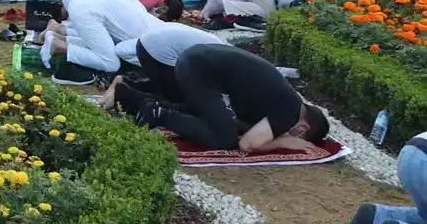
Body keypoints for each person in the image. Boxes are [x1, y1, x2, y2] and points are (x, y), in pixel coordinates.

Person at [108, 43, 328, 152]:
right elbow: (247, 144)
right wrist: (282, 142)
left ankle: (132, 97)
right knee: (224, 138)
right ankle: (158, 113)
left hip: (197, 61)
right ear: (303, 129)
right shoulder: (289, 110)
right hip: (200, 69)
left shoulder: (286, 99)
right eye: (299, 138)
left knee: (213, 118)